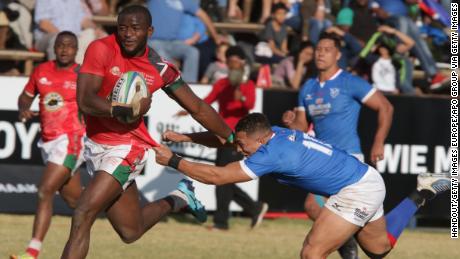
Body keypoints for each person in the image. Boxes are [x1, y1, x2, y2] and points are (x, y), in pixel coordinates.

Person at [60, 6, 234, 259]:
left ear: (150, 31)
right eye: (122, 28)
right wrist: (125, 108)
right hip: (96, 144)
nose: (128, 34)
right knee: (131, 231)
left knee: (83, 212)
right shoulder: (101, 48)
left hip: (128, 147)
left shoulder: (160, 69)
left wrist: (230, 138)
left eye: (135, 28)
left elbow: (197, 107)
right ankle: (179, 197)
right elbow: (85, 100)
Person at [153, 112, 450, 259]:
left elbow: (218, 176)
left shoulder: (272, 153)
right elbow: (227, 139)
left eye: (244, 146)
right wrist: (186, 138)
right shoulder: (275, 135)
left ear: (260, 140)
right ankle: (423, 191)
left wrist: (174, 161)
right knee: (378, 250)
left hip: (355, 190)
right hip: (364, 178)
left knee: (311, 253)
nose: (239, 149)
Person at [282, 32, 394, 259]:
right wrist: (291, 123)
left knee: (319, 210)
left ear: (338, 55)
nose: (320, 53)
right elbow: (302, 128)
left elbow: (386, 107)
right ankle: (348, 247)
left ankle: (348, 246)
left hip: (349, 159)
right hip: (321, 160)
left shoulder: (349, 82)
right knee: (317, 209)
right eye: (318, 49)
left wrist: (378, 142)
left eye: (327, 49)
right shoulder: (308, 87)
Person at [11, 31, 85, 259]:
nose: (64, 49)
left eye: (70, 46)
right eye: (60, 45)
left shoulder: (83, 74)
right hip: (48, 142)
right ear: (54, 48)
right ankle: (121, 207)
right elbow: (25, 97)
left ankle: (31, 253)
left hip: (72, 140)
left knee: (45, 192)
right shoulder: (41, 70)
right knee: (77, 203)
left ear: (76, 49)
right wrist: (23, 108)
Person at [176, 46, 268, 231]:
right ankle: (254, 208)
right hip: (223, 136)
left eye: (234, 60)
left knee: (222, 179)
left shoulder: (247, 84)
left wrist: (240, 95)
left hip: (238, 138)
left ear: (242, 63)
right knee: (224, 179)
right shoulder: (222, 83)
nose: (231, 64)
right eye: (229, 60)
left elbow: (249, 105)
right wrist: (187, 109)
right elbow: (207, 100)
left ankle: (222, 222)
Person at [147, 0, 222, 83]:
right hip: (154, 41)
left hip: (173, 42)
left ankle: (189, 84)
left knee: (193, 52)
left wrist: (216, 36)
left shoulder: (184, 1)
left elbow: (202, 15)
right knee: (163, 57)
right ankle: (176, 85)